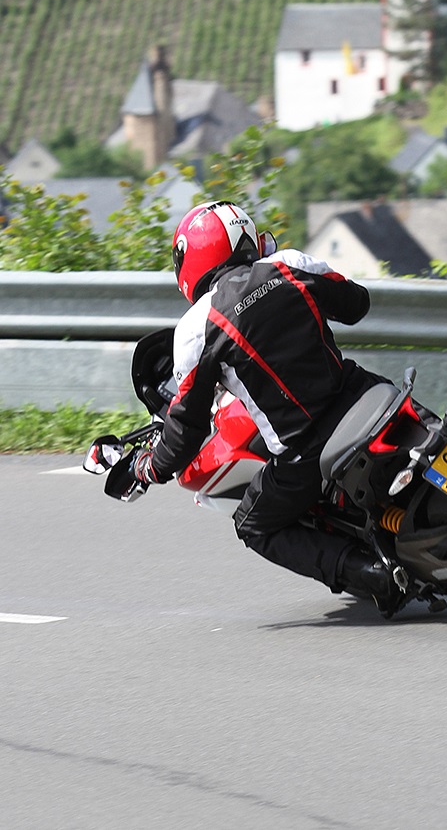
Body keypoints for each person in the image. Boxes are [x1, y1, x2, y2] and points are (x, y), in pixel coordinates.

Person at [128, 200, 398, 609]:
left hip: (303, 446)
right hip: (360, 393)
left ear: (191, 259)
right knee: (413, 413)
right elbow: (356, 304)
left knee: (253, 524)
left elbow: (187, 427)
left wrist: (151, 467)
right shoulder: (289, 263)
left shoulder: (195, 329)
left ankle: (374, 576)